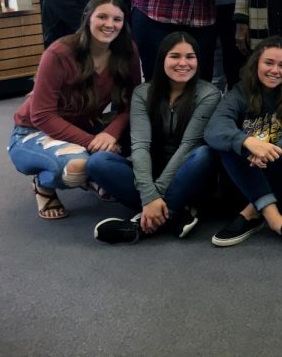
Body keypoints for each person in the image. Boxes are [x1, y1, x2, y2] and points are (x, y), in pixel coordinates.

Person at [7, 0, 141, 219]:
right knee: (76, 167)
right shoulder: (59, 52)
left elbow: (133, 102)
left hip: (85, 126)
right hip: (34, 131)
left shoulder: (127, 50)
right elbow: (42, 116)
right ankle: (44, 185)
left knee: (145, 132)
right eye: (102, 17)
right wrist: (93, 143)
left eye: (117, 19)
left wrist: (110, 133)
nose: (109, 24)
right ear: (88, 18)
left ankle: (92, 173)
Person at [89, 32, 220, 244]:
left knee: (203, 154)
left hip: (188, 173)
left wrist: (151, 197)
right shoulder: (142, 93)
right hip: (151, 170)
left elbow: (188, 146)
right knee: (97, 162)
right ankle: (174, 213)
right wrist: (150, 195)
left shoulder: (209, 94)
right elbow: (140, 146)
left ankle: (141, 223)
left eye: (190, 57)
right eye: (175, 56)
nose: (183, 63)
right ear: (162, 60)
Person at [204, 36, 282, 249]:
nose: (275, 70)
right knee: (227, 145)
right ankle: (275, 219)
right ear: (256, 63)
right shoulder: (241, 91)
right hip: (246, 176)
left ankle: (251, 213)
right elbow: (214, 128)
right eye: (269, 63)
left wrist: (278, 148)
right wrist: (247, 143)